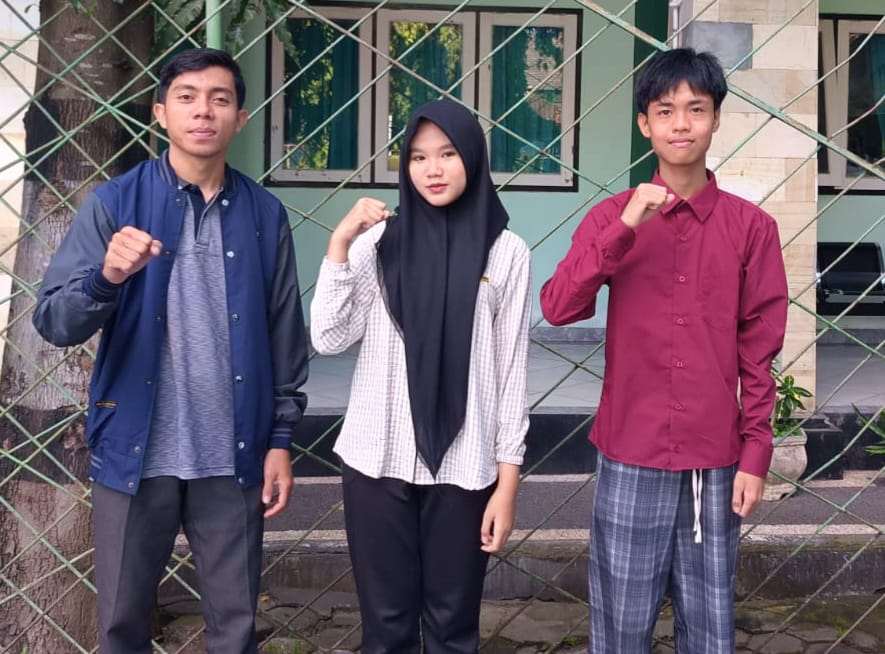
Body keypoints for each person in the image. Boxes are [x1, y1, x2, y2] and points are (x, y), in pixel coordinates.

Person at [32, 48, 309, 654]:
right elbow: (53, 321)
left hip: (233, 452)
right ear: (161, 113)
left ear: (240, 118)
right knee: (121, 624)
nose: (202, 111)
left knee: (235, 628)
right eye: (186, 97)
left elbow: (284, 332)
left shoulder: (264, 214)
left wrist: (281, 438)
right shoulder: (115, 204)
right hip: (135, 449)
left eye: (219, 99)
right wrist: (106, 277)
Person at [540, 48, 789, 653]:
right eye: (665, 110)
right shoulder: (612, 216)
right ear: (644, 123)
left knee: (709, 630)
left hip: (714, 460)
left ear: (716, 119)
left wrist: (756, 452)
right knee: (620, 628)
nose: (681, 123)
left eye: (696, 109)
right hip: (632, 451)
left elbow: (758, 351)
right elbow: (558, 306)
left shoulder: (752, 229)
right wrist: (624, 228)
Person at [310, 99, 531, 654]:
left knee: (453, 628)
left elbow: (510, 373)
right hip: (376, 460)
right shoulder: (378, 244)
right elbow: (329, 337)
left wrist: (507, 486)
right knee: (386, 628)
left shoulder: (506, 253)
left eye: (448, 154)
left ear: (472, 157)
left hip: (465, 464)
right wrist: (339, 243)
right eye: (417, 157)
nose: (432, 169)